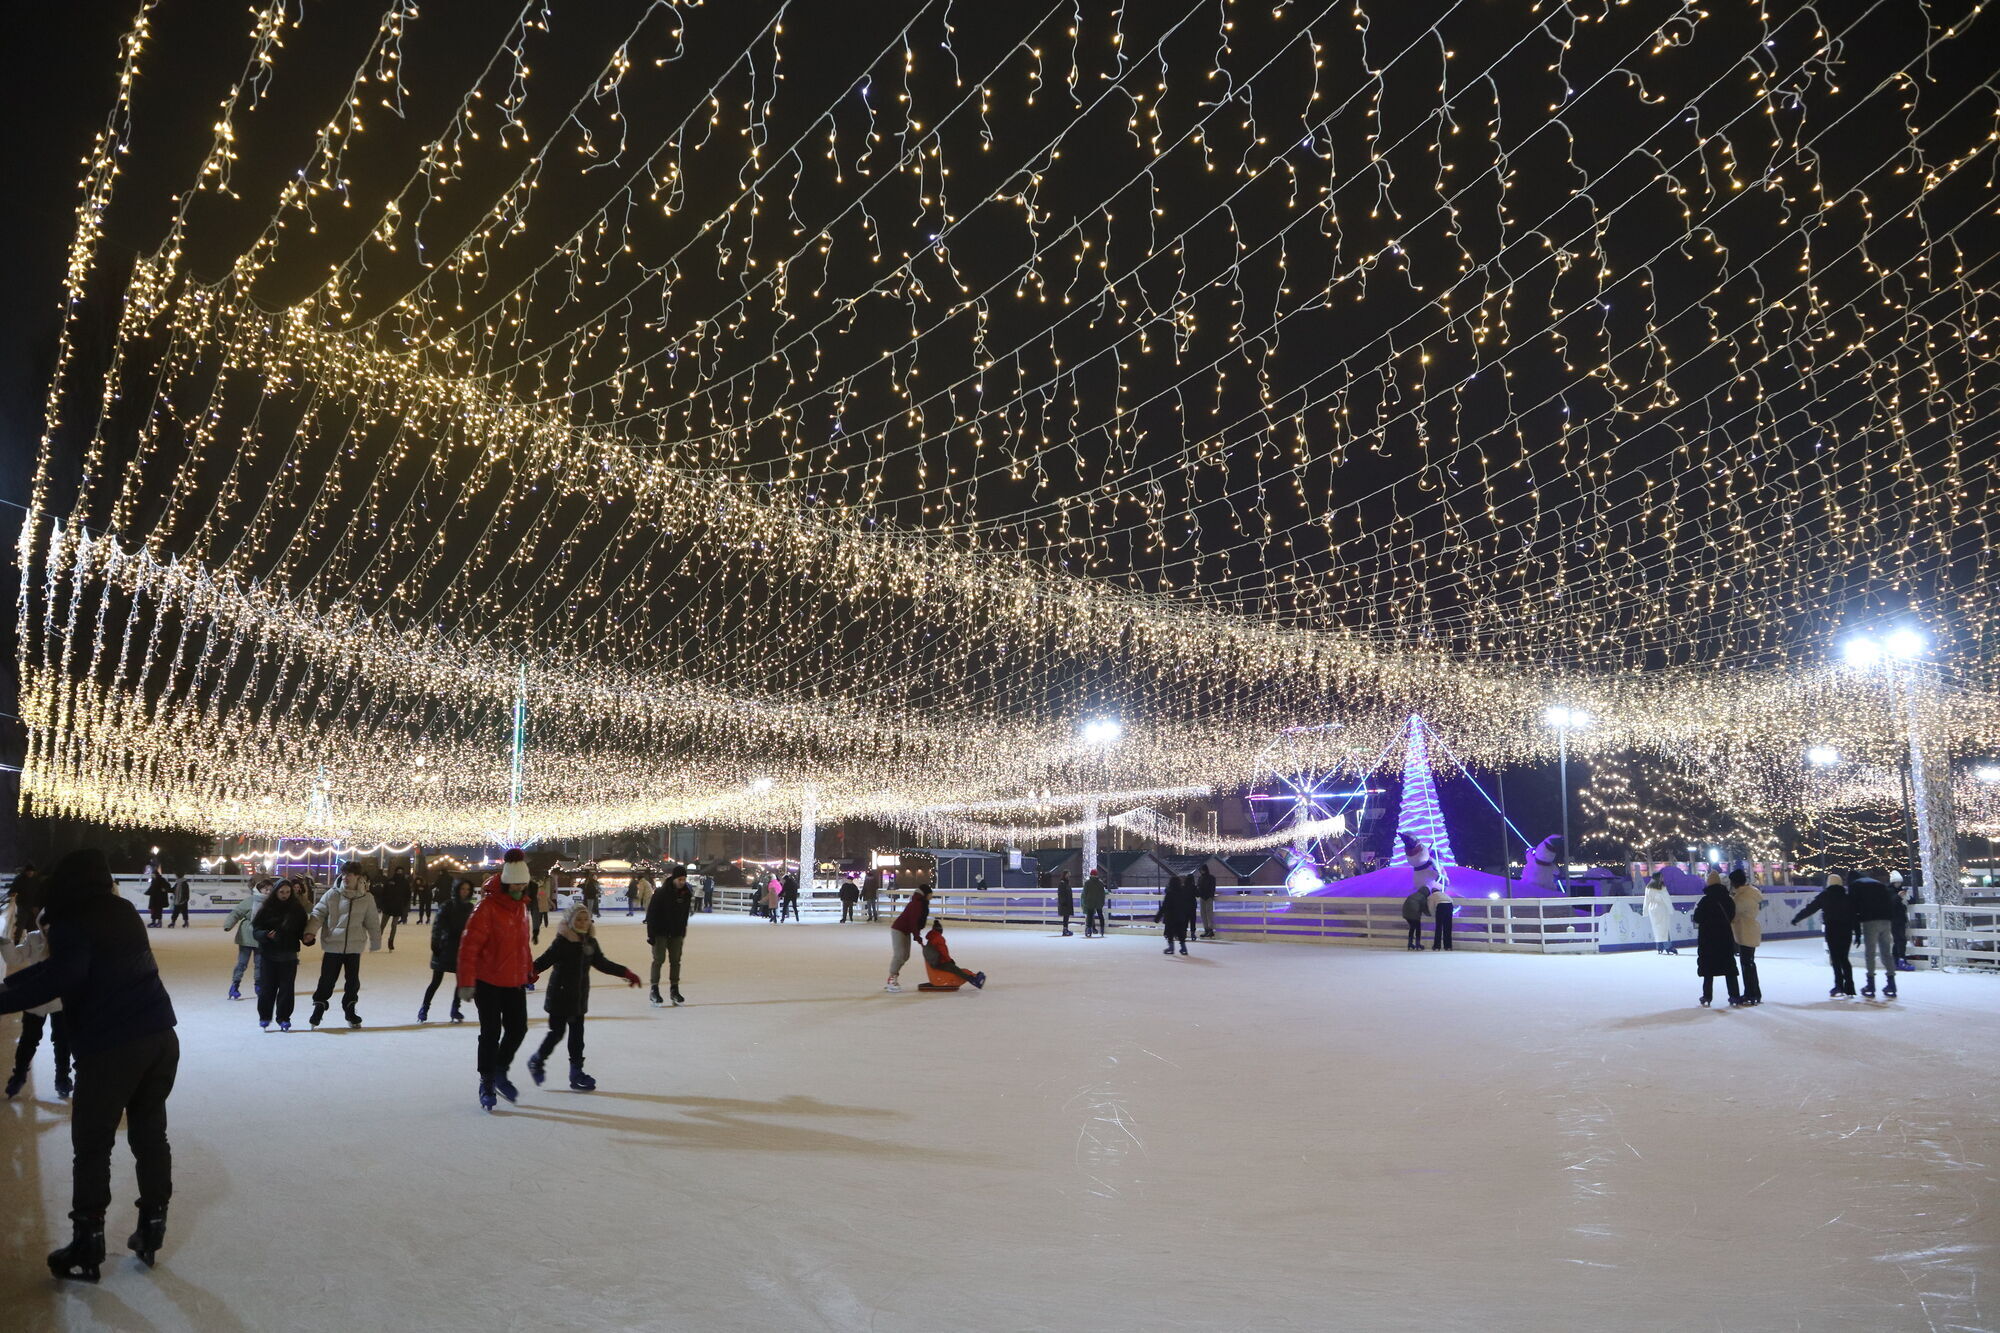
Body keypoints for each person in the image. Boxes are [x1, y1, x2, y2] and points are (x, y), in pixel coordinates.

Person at [0, 848, 179, 1281]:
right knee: (151, 1135)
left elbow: (63, 977)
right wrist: (13, 983)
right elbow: (62, 970)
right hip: (159, 1038)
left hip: (112, 1046)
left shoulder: (73, 919)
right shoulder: (121, 910)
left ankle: (87, 1244)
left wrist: (4, 997)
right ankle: (152, 1230)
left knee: (93, 1144)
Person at [527, 905, 642, 1091]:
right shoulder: (562, 942)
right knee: (557, 1033)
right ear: (571, 922)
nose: (582, 923)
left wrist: (625, 972)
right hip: (560, 996)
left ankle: (576, 1073)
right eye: (578, 920)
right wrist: (530, 972)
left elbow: (602, 963)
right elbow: (544, 960)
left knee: (577, 1036)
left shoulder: (590, 943)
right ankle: (537, 1060)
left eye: (585, 919)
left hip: (579, 997)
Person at [456, 848, 537, 1111]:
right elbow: (469, 946)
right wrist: (466, 981)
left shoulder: (522, 908)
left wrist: (528, 970)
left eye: (523, 883)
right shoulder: (487, 907)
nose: (520, 887)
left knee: (518, 1028)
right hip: (487, 981)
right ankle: (487, 1079)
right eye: (516, 883)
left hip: (513, 980)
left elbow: (522, 945)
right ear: (505, 882)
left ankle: (499, 1069)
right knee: (491, 1032)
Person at [3, 902, 72, 1099]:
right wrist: (6, 943)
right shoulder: (33, 938)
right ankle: (19, 1076)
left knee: (62, 1041)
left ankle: (62, 1078)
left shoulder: (67, 941)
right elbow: (15, 959)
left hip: (60, 1000)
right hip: (36, 1000)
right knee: (28, 1040)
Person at [306, 861, 384, 1028]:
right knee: (327, 980)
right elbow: (318, 912)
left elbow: (372, 921)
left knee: (352, 982)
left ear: (358, 877)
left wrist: (376, 940)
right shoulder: (332, 894)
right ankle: (319, 1007)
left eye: (349, 874)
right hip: (332, 945)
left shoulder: (367, 898)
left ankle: (350, 1010)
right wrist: (310, 931)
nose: (346, 877)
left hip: (354, 947)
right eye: (344, 874)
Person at [251, 879, 310, 1031]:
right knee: (267, 989)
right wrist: (265, 935)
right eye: (282, 892)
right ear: (276, 892)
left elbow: (302, 931)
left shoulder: (297, 910)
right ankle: (264, 1016)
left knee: (286, 990)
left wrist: (308, 939)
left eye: (288, 892)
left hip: (289, 956)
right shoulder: (266, 909)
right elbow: (256, 930)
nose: (285, 895)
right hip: (268, 955)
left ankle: (284, 1017)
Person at [420, 881, 477, 1023]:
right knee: (436, 981)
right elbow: (438, 925)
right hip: (444, 947)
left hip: (461, 949)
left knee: (460, 981)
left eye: (467, 889)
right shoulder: (447, 906)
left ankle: (455, 1009)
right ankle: (424, 1008)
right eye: (462, 889)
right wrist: (435, 943)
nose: (465, 891)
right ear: (457, 890)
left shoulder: (470, 908)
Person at [1792, 874, 1856, 997]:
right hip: (1846, 930)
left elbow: (1810, 908)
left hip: (1832, 930)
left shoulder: (1825, 896)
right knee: (1844, 959)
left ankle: (1839, 985)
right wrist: (1857, 932)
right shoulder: (1847, 897)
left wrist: (1797, 918)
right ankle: (1850, 987)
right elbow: (1854, 915)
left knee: (1836, 959)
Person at [1692, 870, 1743, 1007]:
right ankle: (1734, 995)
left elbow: (1697, 918)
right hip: (1724, 937)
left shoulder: (1705, 901)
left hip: (1708, 939)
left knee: (1708, 968)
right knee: (1729, 967)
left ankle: (1707, 995)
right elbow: (1732, 916)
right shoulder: (1728, 900)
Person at [644, 867, 694, 1006]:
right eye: (680, 879)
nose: (682, 882)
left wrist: (683, 931)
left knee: (676, 961)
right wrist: (651, 934)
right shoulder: (661, 893)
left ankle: (674, 989)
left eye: (684, 879)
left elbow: (684, 915)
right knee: (659, 960)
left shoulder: (686, 893)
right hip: (660, 932)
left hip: (677, 933)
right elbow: (651, 914)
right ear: (674, 878)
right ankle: (654, 989)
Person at [1848, 872, 1899, 1000]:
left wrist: (1857, 932)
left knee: (1870, 953)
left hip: (1870, 920)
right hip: (1886, 920)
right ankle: (1891, 983)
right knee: (1886, 952)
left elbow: (1853, 908)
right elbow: (1889, 901)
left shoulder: (1855, 885)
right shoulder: (1878, 884)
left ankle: (1871, 985)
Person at [220, 878, 269, 1000]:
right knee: (242, 963)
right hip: (246, 937)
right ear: (258, 889)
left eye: (270, 889)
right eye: (265, 889)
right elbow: (236, 913)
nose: (268, 892)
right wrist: (228, 925)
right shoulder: (250, 901)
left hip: (261, 938)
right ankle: (235, 985)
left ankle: (259, 986)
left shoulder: (272, 904)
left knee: (260, 964)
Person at [884, 880, 933, 992]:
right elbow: (913, 921)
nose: (932, 896)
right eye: (930, 893)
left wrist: (917, 934)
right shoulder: (917, 904)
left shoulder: (922, 903)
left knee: (906, 955)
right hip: (898, 929)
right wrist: (917, 936)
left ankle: (893, 976)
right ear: (925, 894)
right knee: (900, 954)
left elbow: (917, 922)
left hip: (906, 930)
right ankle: (892, 979)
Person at [918, 918, 986, 990]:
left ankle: (972, 977)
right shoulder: (939, 938)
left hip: (936, 961)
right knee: (956, 970)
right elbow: (943, 952)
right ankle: (973, 980)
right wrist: (949, 960)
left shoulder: (931, 938)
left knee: (955, 969)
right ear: (940, 930)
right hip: (940, 962)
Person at [1729, 867, 1763, 1006]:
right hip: (1751, 930)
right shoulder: (1752, 893)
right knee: (1749, 963)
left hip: (1744, 932)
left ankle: (1751, 992)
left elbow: (1733, 915)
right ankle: (1754, 992)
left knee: (1746, 964)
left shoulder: (1741, 898)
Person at [1400, 833, 1436, 950]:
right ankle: (1417, 944)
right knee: (1417, 929)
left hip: (1406, 913)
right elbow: (1424, 908)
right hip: (1413, 914)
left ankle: (1410, 944)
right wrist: (1429, 914)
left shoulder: (1414, 895)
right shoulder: (1421, 897)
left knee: (1412, 929)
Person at [1156, 874, 1197, 955]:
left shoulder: (1169, 894)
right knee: (1181, 933)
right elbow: (1185, 905)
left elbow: (1164, 906)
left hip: (1170, 917)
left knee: (1170, 933)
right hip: (1180, 917)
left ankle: (1171, 947)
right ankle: (1183, 948)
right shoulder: (1182, 893)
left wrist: (1158, 917)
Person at [1642, 872, 1678, 955]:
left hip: (1653, 909)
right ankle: (1668, 946)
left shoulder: (1648, 887)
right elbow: (1667, 899)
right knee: (1665, 929)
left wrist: (1645, 911)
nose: (1663, 879)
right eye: (1662, 877)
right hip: (1661, 909)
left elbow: (1646, 900)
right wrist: (1671, 909)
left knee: (1657, 928)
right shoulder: (1661, 886)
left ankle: (1659, 946)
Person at [7, 864, 42, 943]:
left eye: (31, 871)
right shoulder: (19, 879)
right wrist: (12, 893)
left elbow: (40, 893)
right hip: (22, 905)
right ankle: (16, 942)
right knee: (21, 925)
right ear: (25, 872)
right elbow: (13, 889)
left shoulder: (37, 880)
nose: (30, 873)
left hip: (34, 906)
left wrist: (37, 905)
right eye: (28, 871)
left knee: (33, 926)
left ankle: (31, 943)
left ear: (34, 872)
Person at [377, 869, 411, 951]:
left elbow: (408, 895)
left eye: (400, 872)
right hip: (388, 906)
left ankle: (391, 941)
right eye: (398, 871)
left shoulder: (405, 883)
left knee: (394, 925)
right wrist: (382, 904)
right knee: (383, 925)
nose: (399, 873)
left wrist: (404, 905)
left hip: (398, 907)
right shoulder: (390, 881)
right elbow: (384, 893)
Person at [1428, 877, 1456, 951]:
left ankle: (1437, 946)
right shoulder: (1444, 894)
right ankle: (1448, 946)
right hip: (1449, 906)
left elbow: (1431, 906)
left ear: (1432, 892)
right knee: (1448, 927)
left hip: (1441, 906)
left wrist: (1432, 914)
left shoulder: (1432, 896)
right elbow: (1451, 901)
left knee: (1439, 927)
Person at [1082, 868, 1107, 938]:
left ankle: (1089, 929)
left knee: (1090, 916)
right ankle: (1102, 928)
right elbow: (1103, 894)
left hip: (1090, 902)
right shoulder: (1101, 883)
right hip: (1098, 902)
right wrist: (1102, 902)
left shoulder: (1087, 883)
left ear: (1091, 874)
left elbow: (1085, 893)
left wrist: (1085, 901)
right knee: (1100, 915)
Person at [1195, 864, 1219, 938]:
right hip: (1206, 897)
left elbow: (1199, 887)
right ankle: (1208, 930)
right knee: (1207, 914)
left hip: (1205, 897)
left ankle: (1208, 930)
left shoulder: (1202, 878)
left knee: (1206, 914)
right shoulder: (1210, 878)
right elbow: (1212, 888)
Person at [1056, 870, 1074, 937]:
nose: (1069, 876)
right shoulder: (1062, 883)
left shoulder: (1066, 883)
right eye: (1067, 874)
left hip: (1067, 903)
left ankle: (1065, 929)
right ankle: (1065, 930)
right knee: (1065, 917)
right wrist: (1063, 902)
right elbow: (1061, 893)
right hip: (1065, 903)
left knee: (1066, 917)